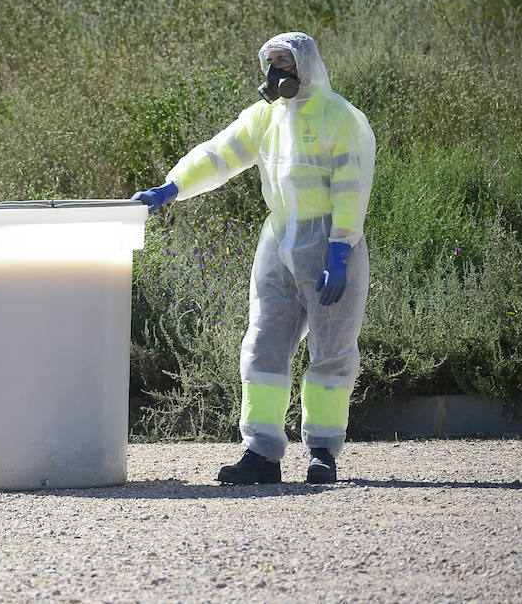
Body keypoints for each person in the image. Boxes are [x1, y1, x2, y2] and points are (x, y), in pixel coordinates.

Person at [133, 32, 374, 484]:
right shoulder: (265, 117)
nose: (276, 73)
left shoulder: (339, 116)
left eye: (285, 63)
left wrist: (341, 246)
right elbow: (220, 153)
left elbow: (351, 183)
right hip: (279, 239)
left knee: (332, 349)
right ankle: (261, 452)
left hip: (329, 242)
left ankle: (322, 450)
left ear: (305, 65)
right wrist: (173, 187)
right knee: (263, 344)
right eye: (271, 63)